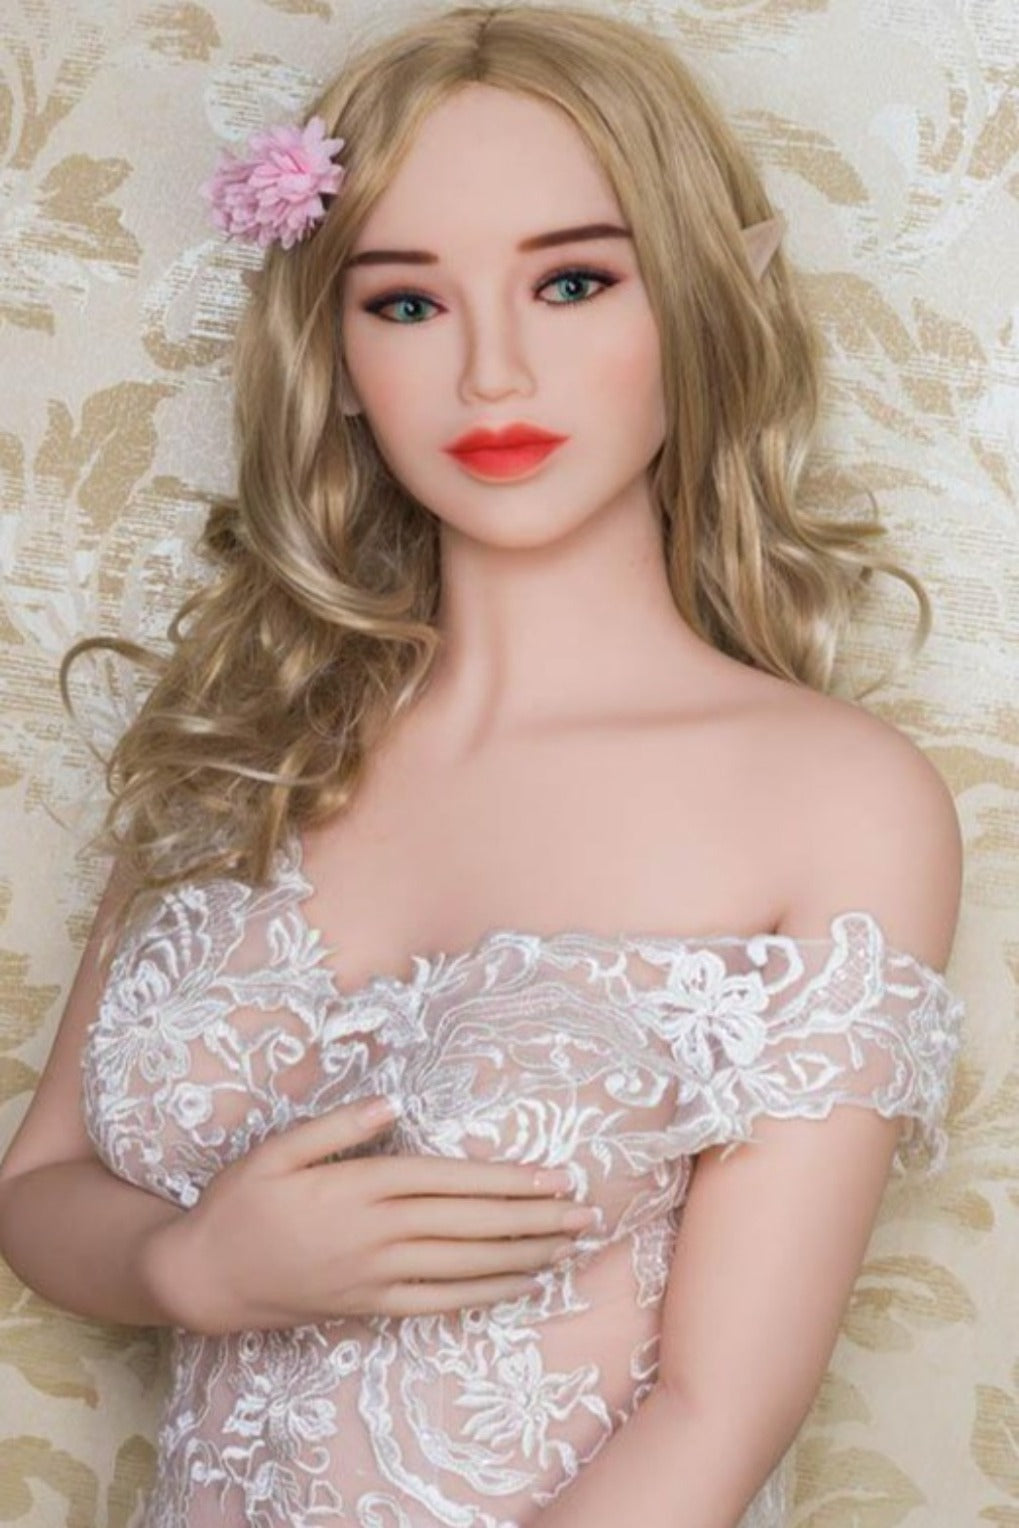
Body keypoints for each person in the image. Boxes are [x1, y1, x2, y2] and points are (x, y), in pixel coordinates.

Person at [0, 5, 966, 1526]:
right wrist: (193, 1267)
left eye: (573, 282)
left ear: (707, 300)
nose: (492, 374)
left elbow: (719, 1415)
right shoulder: (238, 742)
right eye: (406, 303)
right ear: (333, 352)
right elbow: (39, 1190)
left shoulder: (832, 800)